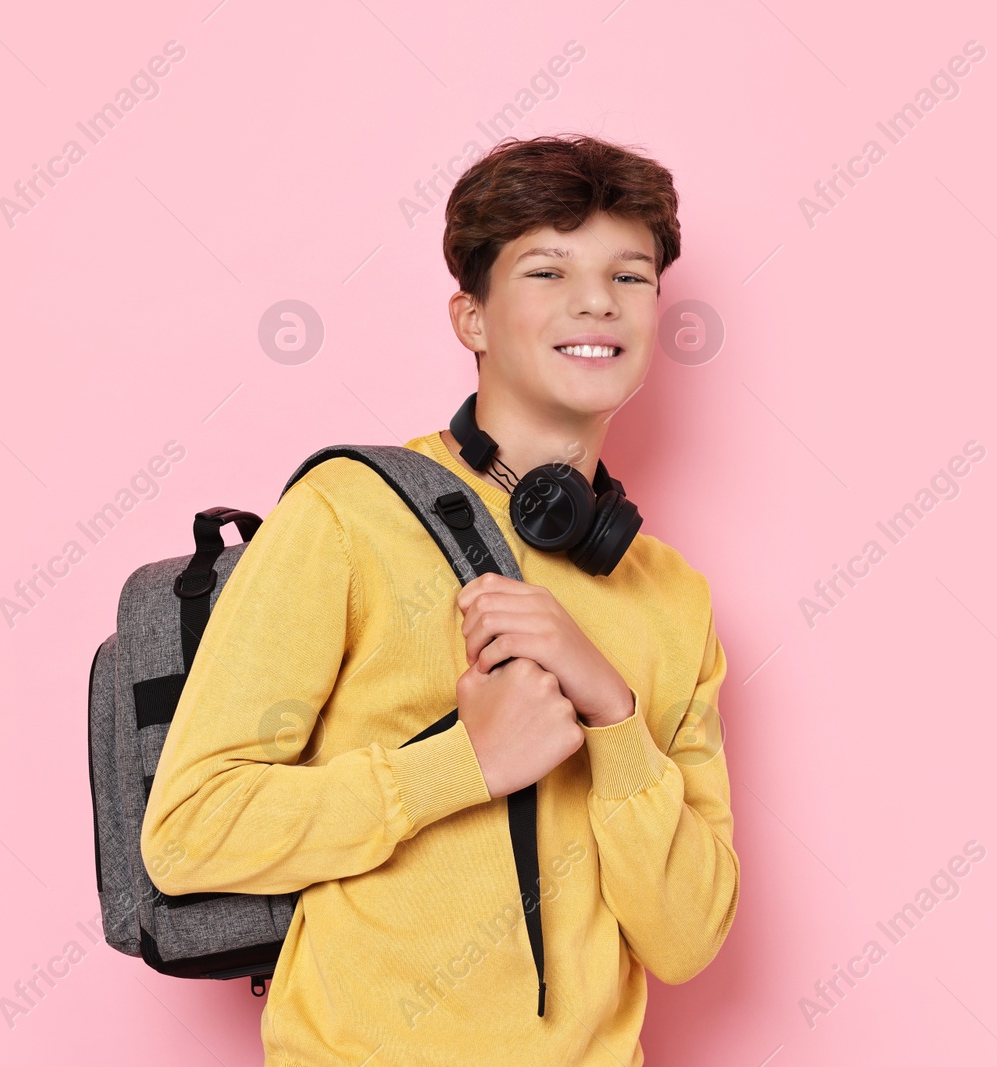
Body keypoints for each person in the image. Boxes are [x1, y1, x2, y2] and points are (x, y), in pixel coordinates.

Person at [141, 133, 738, 1066]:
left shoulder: (673, 596)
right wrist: (465, 763)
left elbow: (688, 936)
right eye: (548, 271)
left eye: (632, 277)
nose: (597, 302)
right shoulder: (347, 516)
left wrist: (613, 710)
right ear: (472, 318)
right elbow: (188, 833)